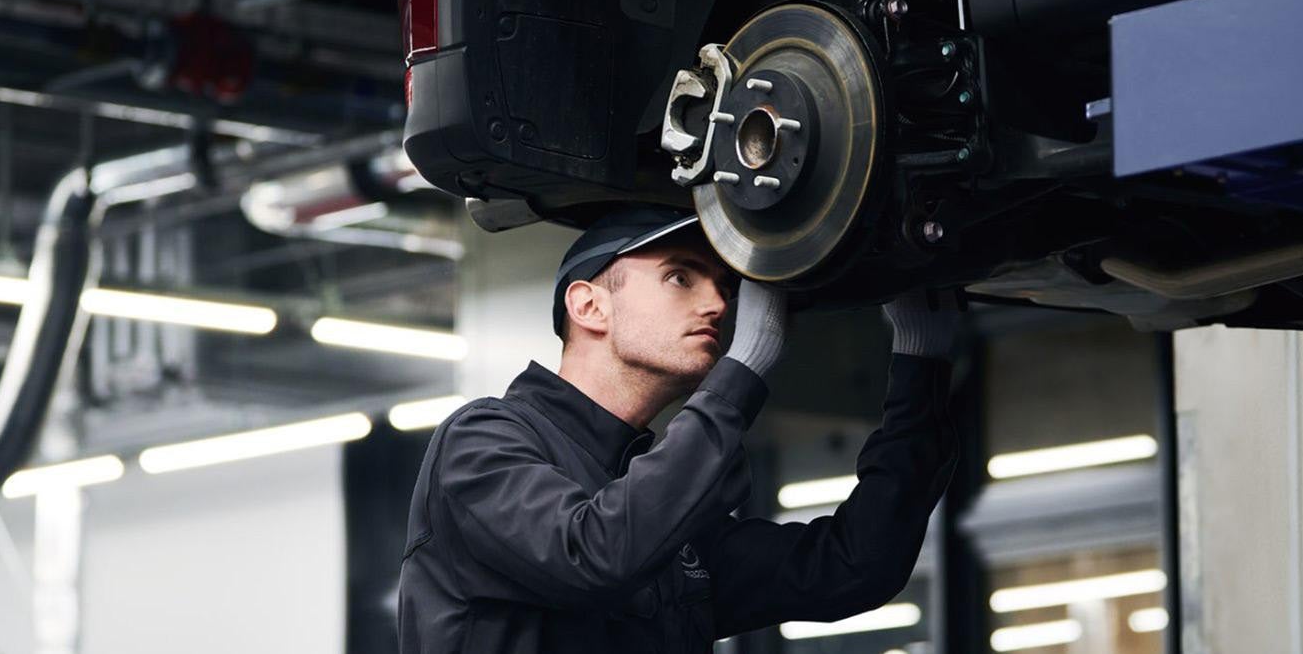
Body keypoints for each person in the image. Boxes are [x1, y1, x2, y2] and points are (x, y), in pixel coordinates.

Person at [398, 207, 958, 653]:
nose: (718, 303)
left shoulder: (671, 519)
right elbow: (596, 555)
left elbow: (851, 568)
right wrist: (743, 372)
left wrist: (921, 360)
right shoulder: (482, 441)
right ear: (590, 306)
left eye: (725, 287)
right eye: (680, 277)